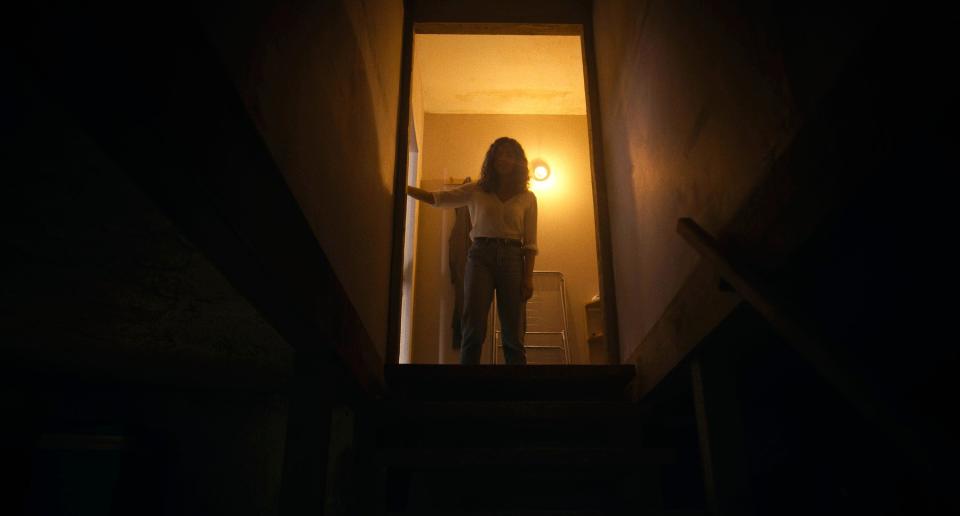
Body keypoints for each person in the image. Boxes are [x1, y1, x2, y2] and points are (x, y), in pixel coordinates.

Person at [407, 137, 538, 365]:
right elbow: (438, 199)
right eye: (500, 153)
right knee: (473, 329)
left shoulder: (528, 197)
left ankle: (517, 392)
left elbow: (531, 243)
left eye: (510, 154)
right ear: (492, 158)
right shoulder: (476, 189)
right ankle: (467, 389)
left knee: (513, 332)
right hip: (480, 257)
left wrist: (528, 277)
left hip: (513, 259)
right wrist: (404, 186)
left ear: (518, 161)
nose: (504, 158)